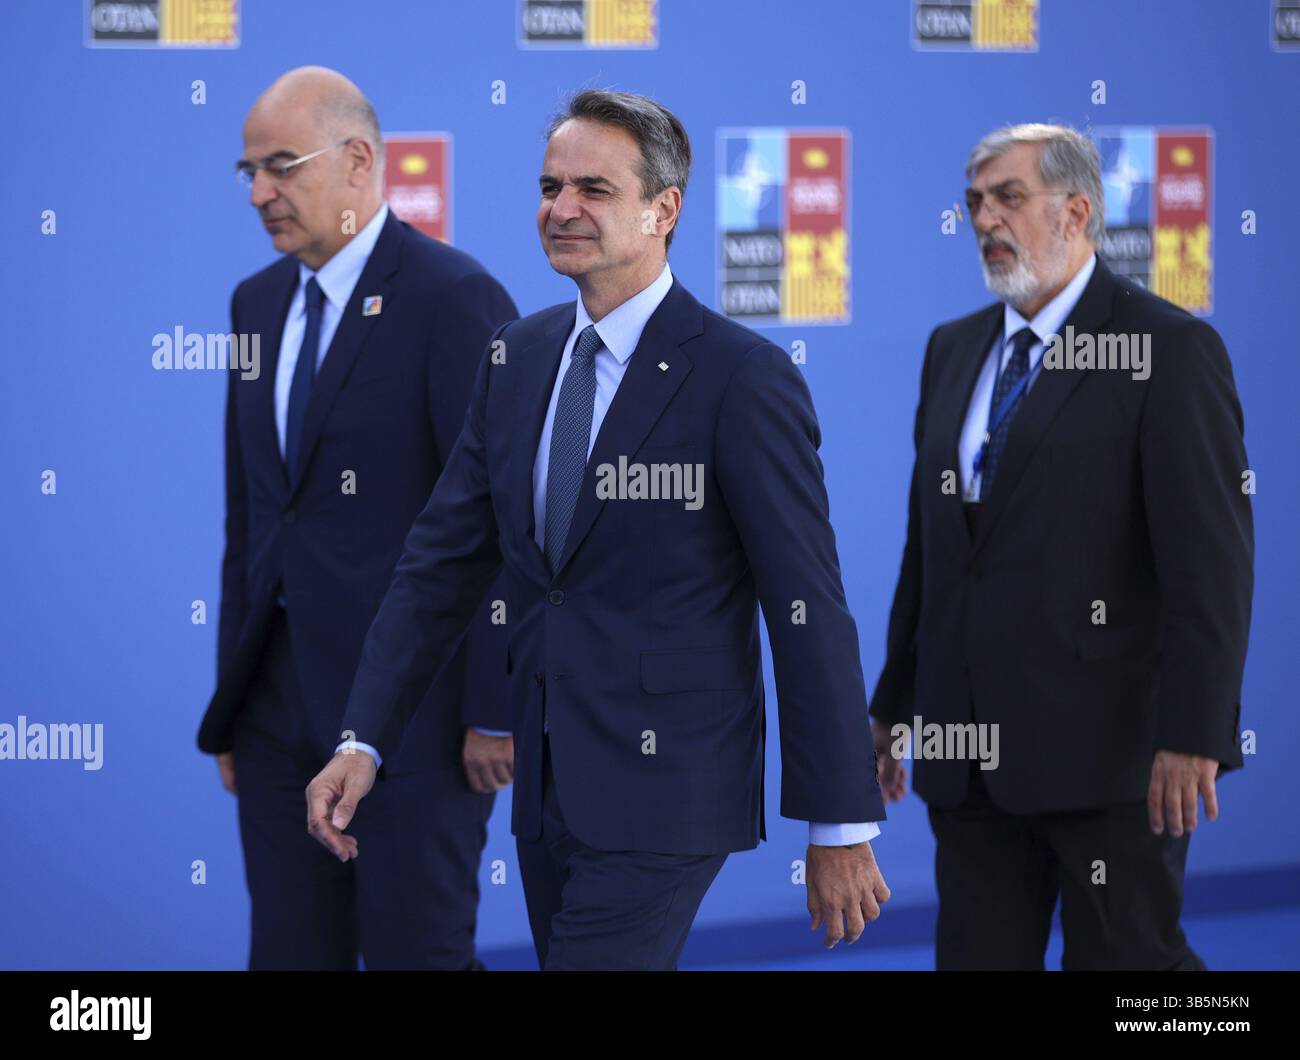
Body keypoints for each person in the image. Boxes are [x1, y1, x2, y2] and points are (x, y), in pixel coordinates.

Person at [305, 89, 890, 970]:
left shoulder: (741, 378)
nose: (562, 209)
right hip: (546, 792)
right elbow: (437, 569)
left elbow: (806, 604)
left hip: (670, 795)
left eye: (594, 189)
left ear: (665, 210)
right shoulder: (515, 357)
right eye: (549, 186)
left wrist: (839, 822)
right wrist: (364, 736)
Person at [870, 123, 1253, 970]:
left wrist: (1195, 733)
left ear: (1076, 210)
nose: (984, 218)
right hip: (969, 760)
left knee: (1135, 976)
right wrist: (894, 706)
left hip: (1110, 759)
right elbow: (930, 552)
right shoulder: (953, 348)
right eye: (974, 201)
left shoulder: (1168, 349)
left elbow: (1211, 565)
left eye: (1009, 197)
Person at [197, 66, 518, 970]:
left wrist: (493, 709)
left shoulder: (453, 297)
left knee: (419, 955)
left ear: (358, 162)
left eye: (281, 166)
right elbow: (252, 519)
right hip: (273, 715)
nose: (260, 192)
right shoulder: (253, 306)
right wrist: (235, 702)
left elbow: (498, 521)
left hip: (415, 720)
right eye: (248, 172)